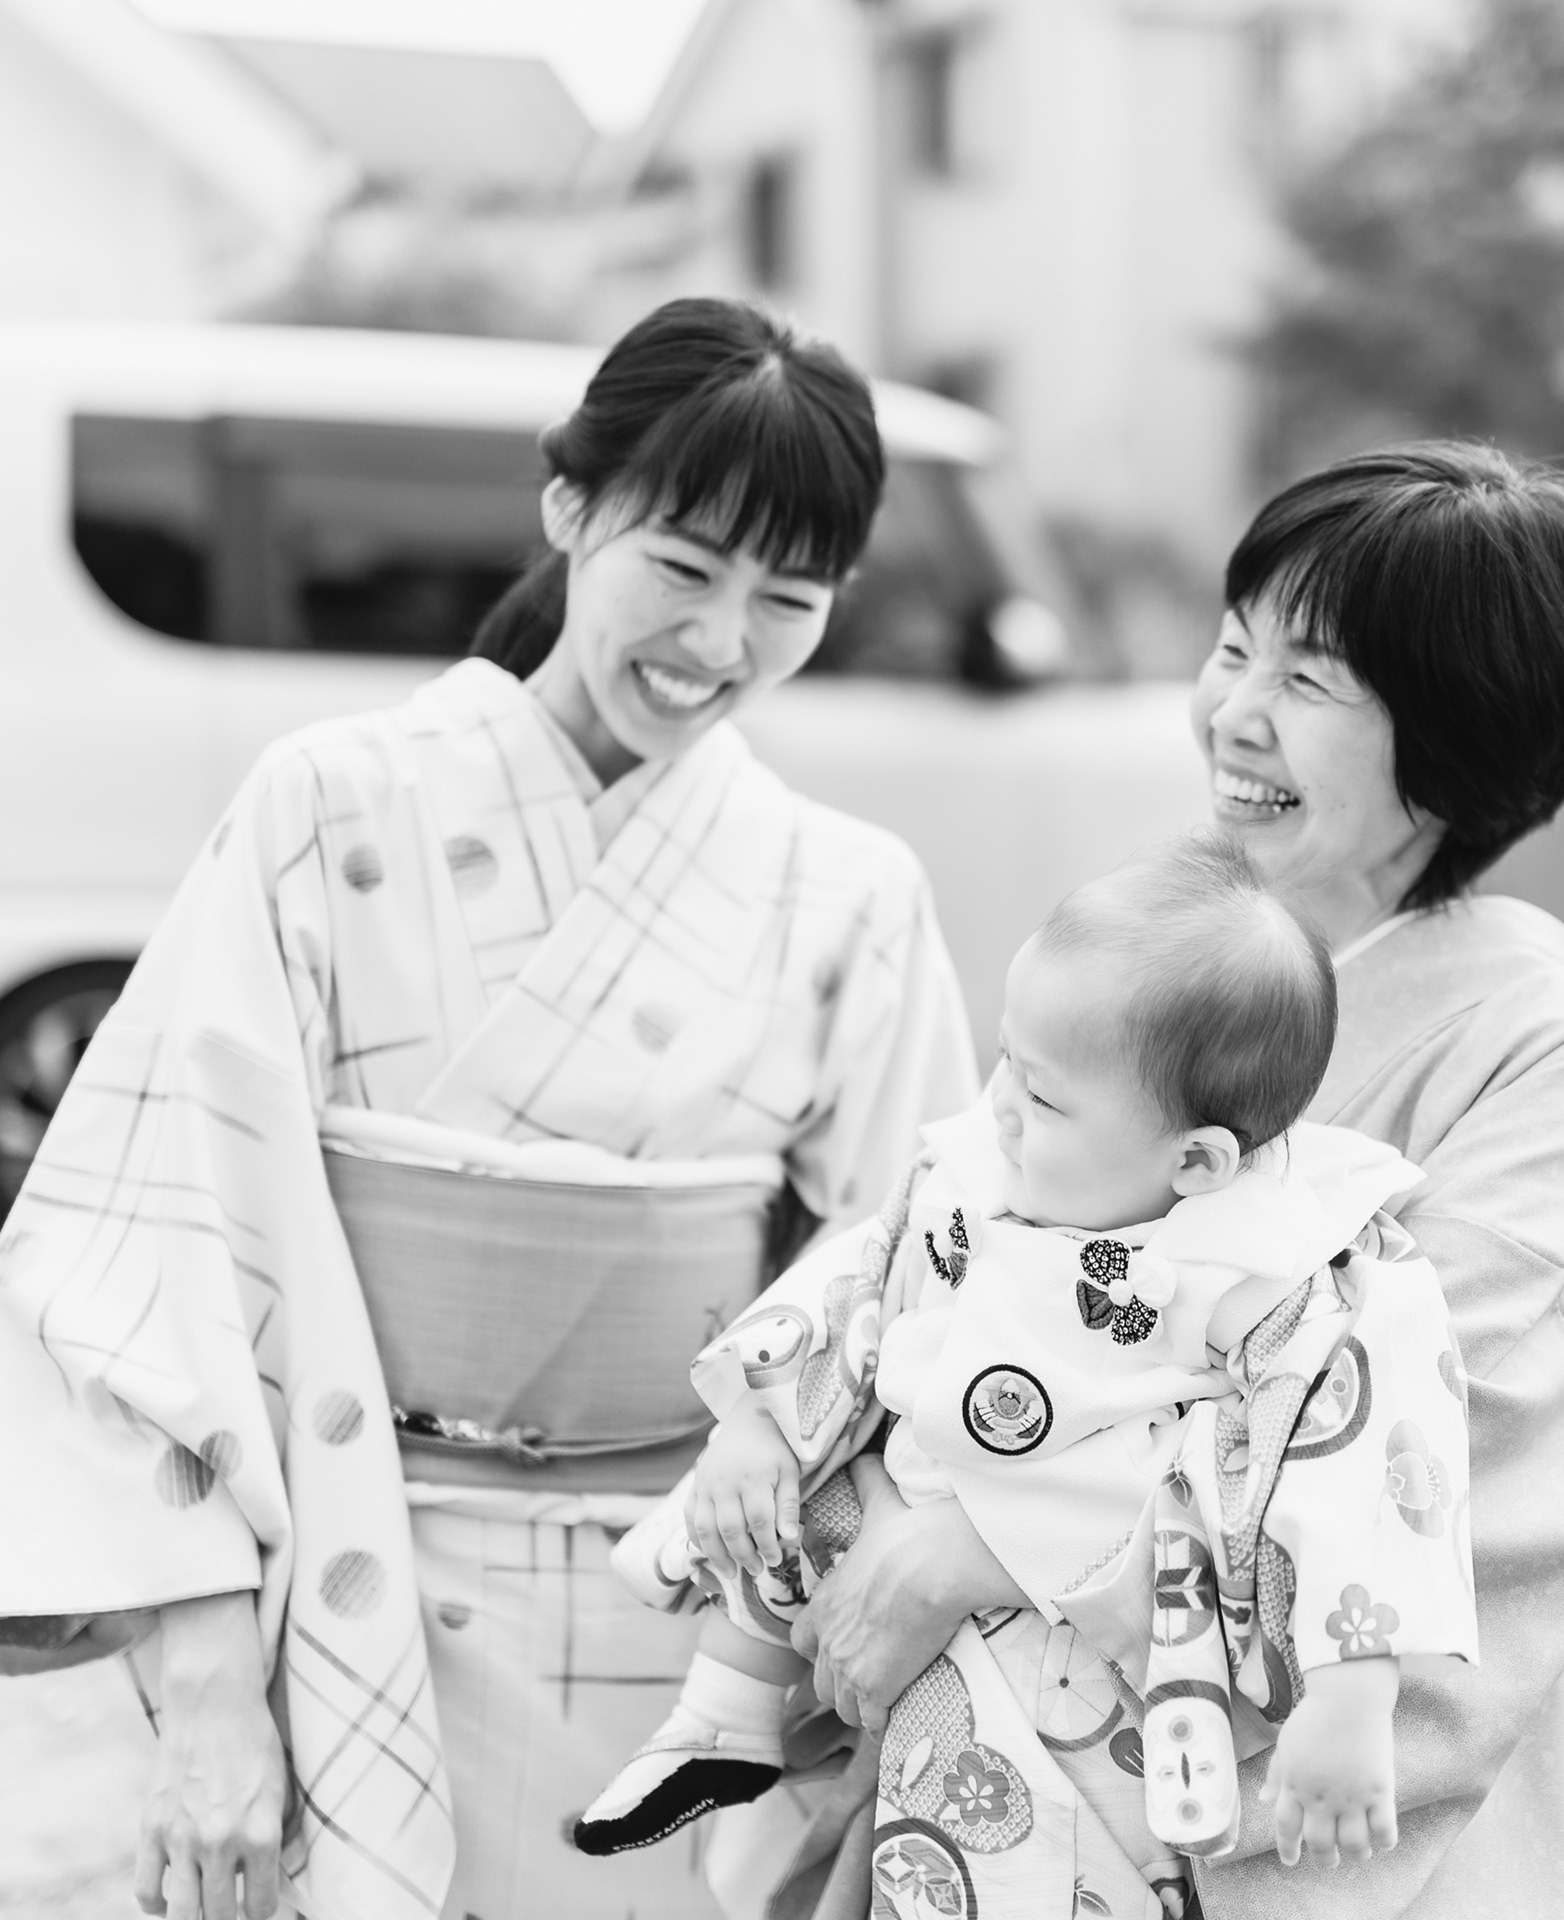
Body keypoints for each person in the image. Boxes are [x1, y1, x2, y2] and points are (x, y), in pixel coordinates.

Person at [0, 298, 978, 1920]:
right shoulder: (325, 803)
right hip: (350, 1578)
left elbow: (928, 1288)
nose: (721, 642)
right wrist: (206, 1683)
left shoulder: (852, 890)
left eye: (789, 600)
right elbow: (147, 1247)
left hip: (686, 1622)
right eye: (684, 566)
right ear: (569, 504)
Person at [728, 443, 1564, 1920]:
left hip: (1316, 1795)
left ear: (1456, 733)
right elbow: (964, 1238)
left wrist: (995, 1539)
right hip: (1004, 1741)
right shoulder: (1172, 942)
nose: (1234, 712)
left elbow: (1406, 1420)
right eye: (1235, 650)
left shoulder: (1534, 1047)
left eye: (1308, 682)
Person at [573, 834, 1476, 1908]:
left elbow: (1363, 1452)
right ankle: (723, 1718)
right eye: (1006, 1060)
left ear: (1198, 1160)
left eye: (1044, 1100)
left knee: (1011, 1851)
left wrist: (1350, 1689)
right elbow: (861, 1279)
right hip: (893, 1523)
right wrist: (757, 1422)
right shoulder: (981, 1170)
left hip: (1076, 1650)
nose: (1002, 1105)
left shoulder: (1269, 1265)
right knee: (774, 1500)